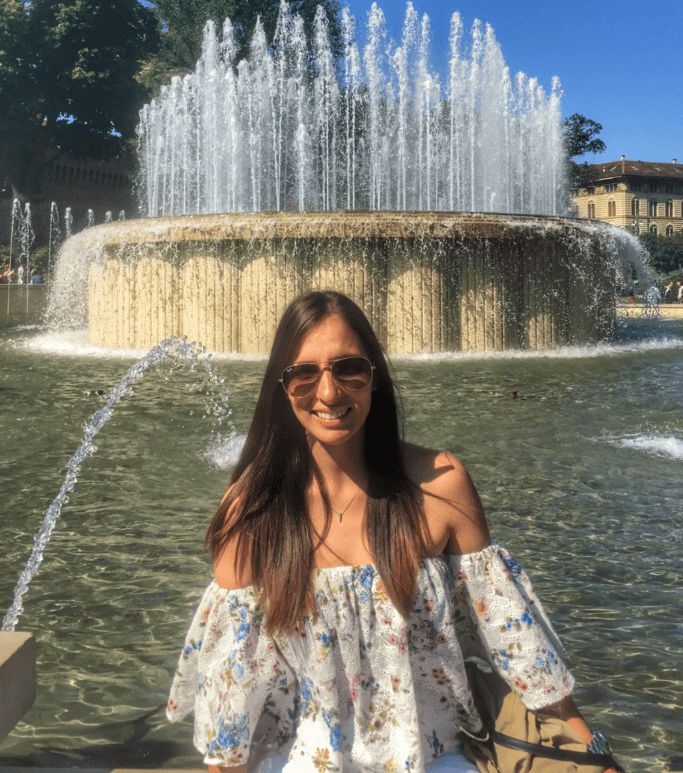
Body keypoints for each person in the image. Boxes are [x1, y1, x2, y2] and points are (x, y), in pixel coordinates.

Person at [168, 290, 621, 773]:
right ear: (283, 388)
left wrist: (594, 753)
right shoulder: (251, 512)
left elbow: (519, 651)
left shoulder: (441, 486)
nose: (328, 392)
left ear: (374, 377)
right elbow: (233, 699)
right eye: (304, 374)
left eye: (348, 368)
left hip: (438, 760)